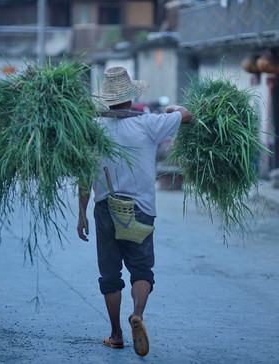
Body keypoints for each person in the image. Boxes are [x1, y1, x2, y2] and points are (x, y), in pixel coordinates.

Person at [77, 67, 192, 357]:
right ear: (131, 98)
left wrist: (81, 214)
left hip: (104, 207)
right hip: (140, 208)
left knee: (109, 274)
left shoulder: (94, 129)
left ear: (107, 100)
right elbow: (187, 114)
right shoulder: (149, 123)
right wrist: (171, 108)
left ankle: (116, 334)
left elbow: (83, 177)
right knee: (142, 270)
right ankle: (137, 314)